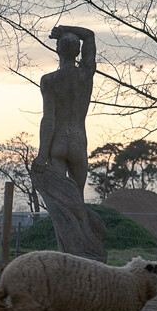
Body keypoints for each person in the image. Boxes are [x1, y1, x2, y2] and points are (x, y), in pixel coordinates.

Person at [34, 25, 96, 191]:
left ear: (57, 49)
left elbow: (49, 119)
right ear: (78, 52)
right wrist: (64, 29)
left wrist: (42, 155)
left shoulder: (49, 80)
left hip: (58, 143)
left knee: (60, 197)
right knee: (77, 198)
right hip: (78, 142)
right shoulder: (85, 75)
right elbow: (89, 35)